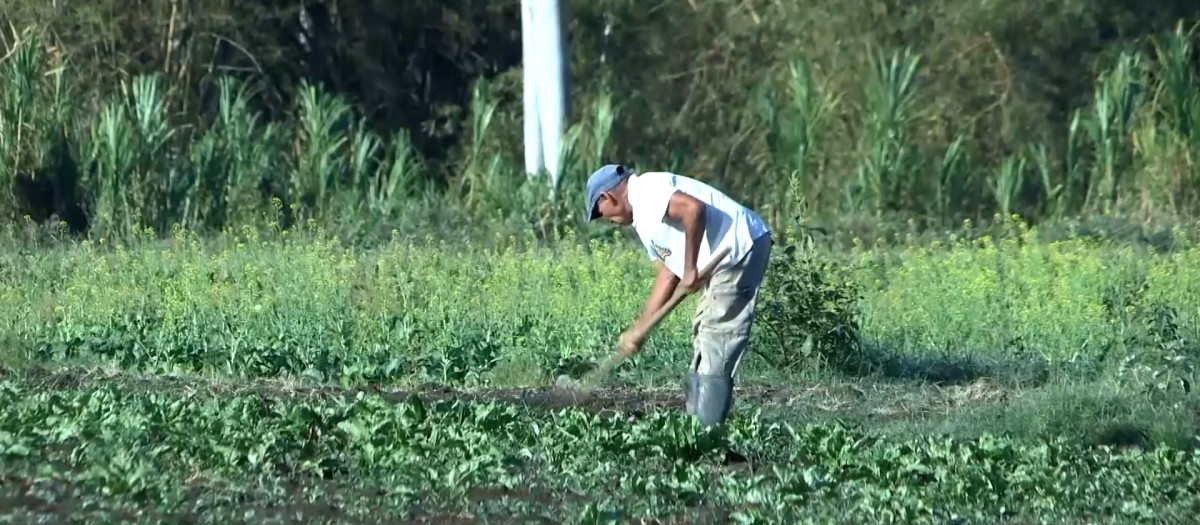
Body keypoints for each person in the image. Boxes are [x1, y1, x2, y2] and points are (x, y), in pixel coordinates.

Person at [585, 163, 772, 428]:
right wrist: (639, 329)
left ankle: (706, 440)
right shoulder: (644, 217)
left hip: (738, 249)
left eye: (600, 212)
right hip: (724, 259)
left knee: (716, 338)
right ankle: (693, 429)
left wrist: (690, 268)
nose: (606, 219)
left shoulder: (647, 191)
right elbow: (667, 274)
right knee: (702, 333)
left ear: (607, 197)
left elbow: (693, 209)